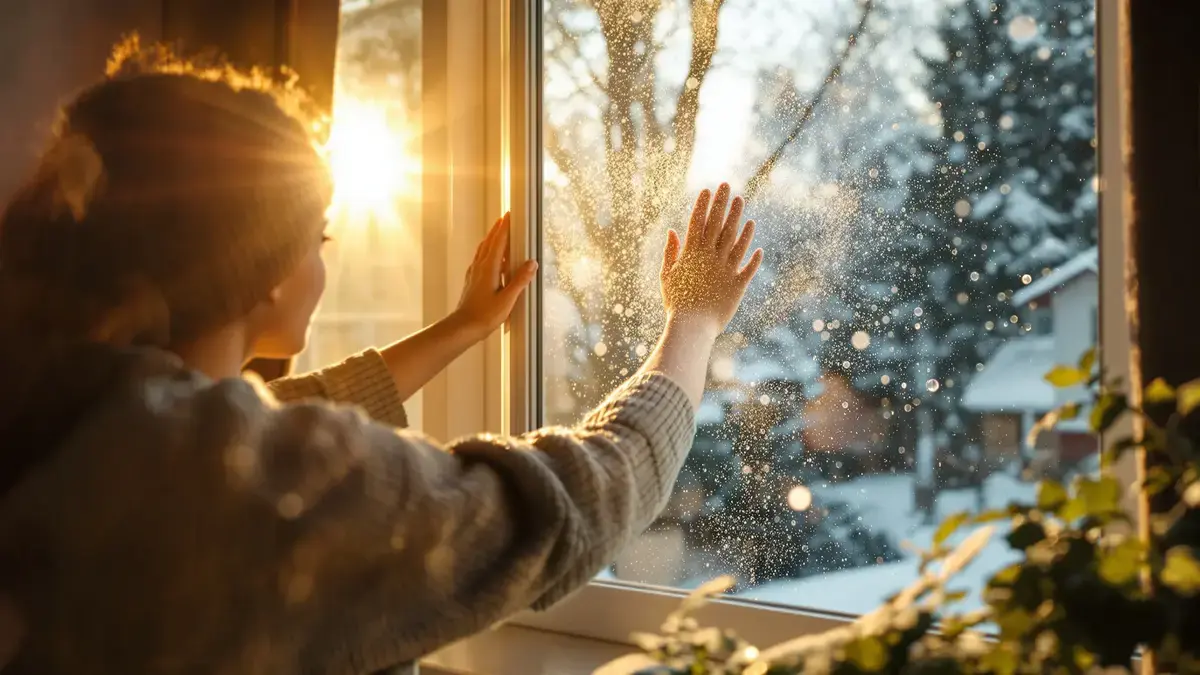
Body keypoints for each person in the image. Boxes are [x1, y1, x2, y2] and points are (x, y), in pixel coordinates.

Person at [0, 43, 764, 675]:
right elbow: (572, 502)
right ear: (268, 271)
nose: (324, 260)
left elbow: (290, 409)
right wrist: (694, 323)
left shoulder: (65, 402)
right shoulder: (229, 482)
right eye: (320, 238)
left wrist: (460, 328)